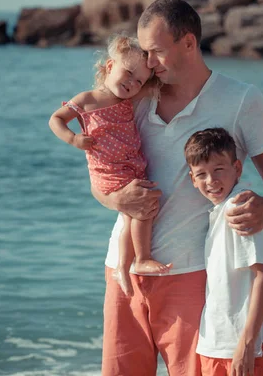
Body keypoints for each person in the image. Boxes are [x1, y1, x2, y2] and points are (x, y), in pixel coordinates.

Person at [90, 0, 263, 376]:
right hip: (124, 271)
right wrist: (114, 197)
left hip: (191, 275)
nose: (147, 63)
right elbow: (101, 179)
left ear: (188, 43)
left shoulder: (242, 100)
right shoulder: (135, 96)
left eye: (155, 52)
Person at [48, 34, 171, 297]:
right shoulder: (86, 99)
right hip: (108, 171)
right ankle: (138, 260)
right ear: (109, 66)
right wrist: (73, 138)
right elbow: (56, 119)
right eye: (127, 73)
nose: (131, 83)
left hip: (130, 168)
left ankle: (125, 267)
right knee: (140, 211)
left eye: (138, 80)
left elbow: (164, 82)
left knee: (138, 212)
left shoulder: (128, 101)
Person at [185, 128, 263, 376]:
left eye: (219, 170)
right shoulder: (218, 212)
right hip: (217, 345)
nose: (211, 181)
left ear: (237, 169)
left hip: (244, 349)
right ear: (192, 180)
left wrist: (246, 345)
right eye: (201, 174)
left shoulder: (240, 208)